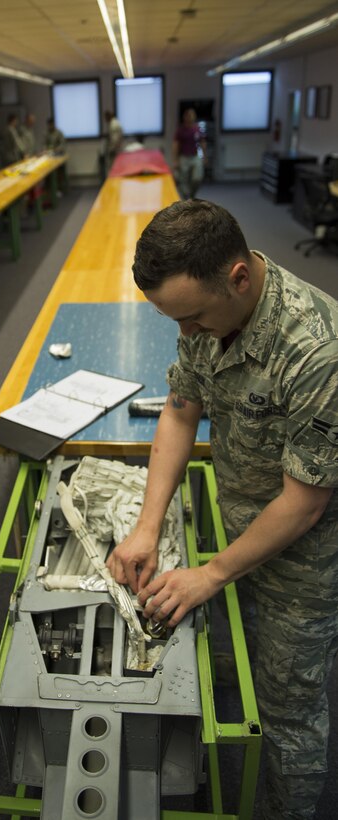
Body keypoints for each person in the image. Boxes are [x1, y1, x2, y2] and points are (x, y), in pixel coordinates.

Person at [107, 198, 338, 820]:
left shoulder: (317, 351)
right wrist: (146, 528)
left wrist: (211, 573)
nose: (186, 334)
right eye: (172, 320)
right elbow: (181, 408)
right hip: (240, 519)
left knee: (290, 708)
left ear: (238, 277)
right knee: (235, 650)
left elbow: (305, 503)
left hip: (306, 557)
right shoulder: (206, 319)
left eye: (193, 317)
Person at [172, 107, 207, 199]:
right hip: (184, 157)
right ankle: (185, 198)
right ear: (185, 117)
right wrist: (175, 160)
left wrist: (204, 156)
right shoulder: (181, 130)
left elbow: (202, 142)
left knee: (197, 178)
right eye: (189, 115)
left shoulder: (197, 129)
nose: (191, 117)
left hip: (195, 156)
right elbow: (176, 145)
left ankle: (191, 195)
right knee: (183, 180)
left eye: (192, 115)